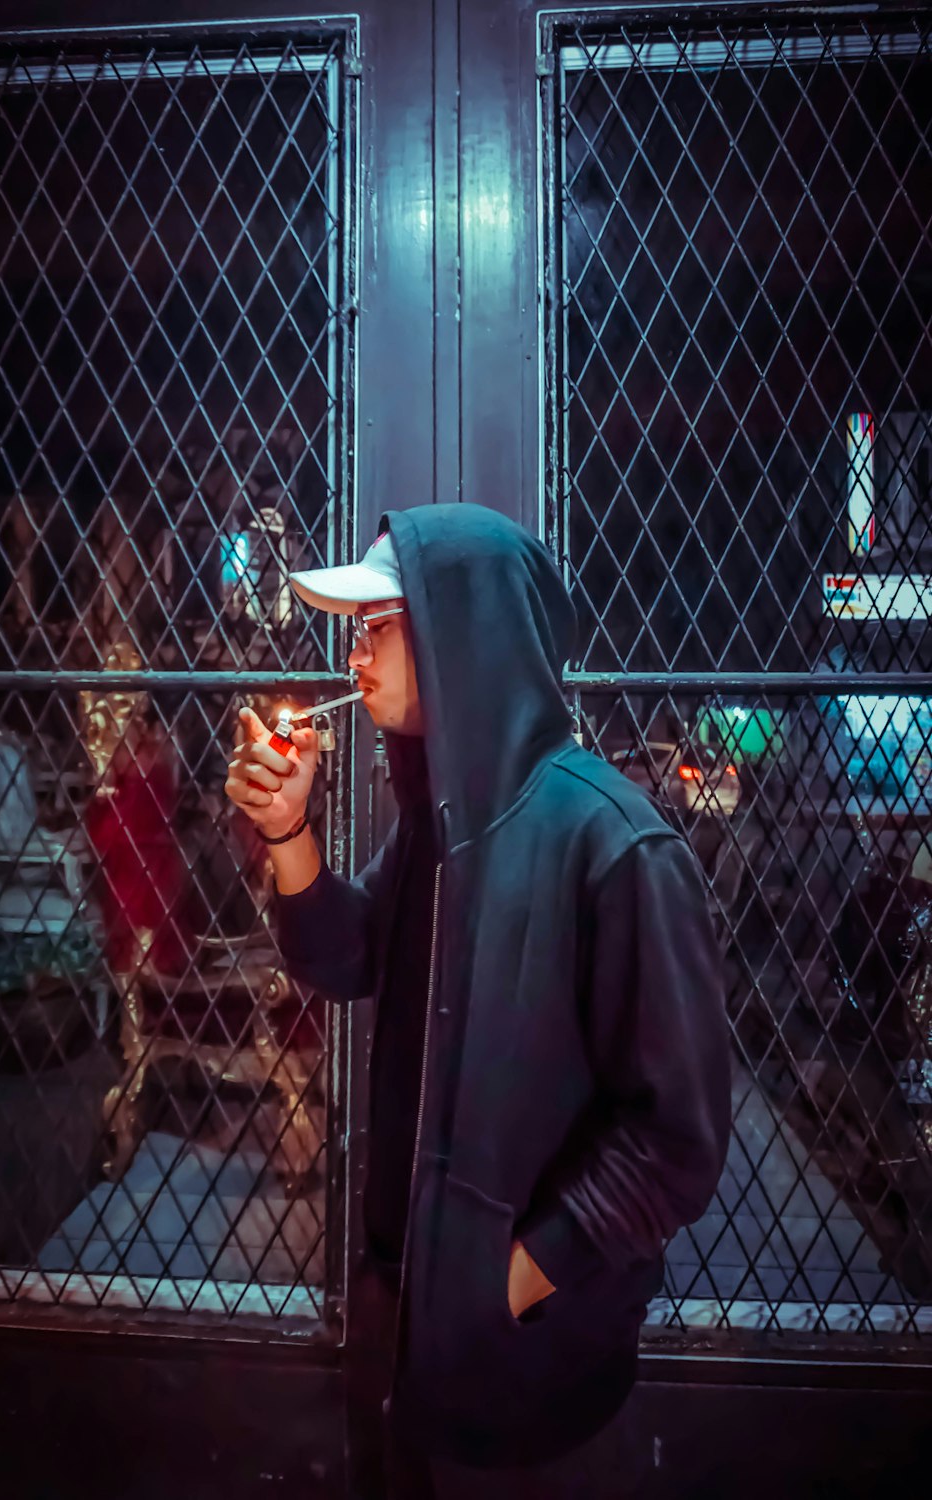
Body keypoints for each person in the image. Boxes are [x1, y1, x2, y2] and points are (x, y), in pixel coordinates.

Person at [225, 504, 730, 1499]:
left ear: (464, 635)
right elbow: (345, 956)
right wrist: (289, 836)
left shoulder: (611, 844)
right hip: (401, 1349)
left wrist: (507, 1280)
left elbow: (675, 1140)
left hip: (531, 1390)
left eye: (377, 625)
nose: (353, 653)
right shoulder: (439, 828)